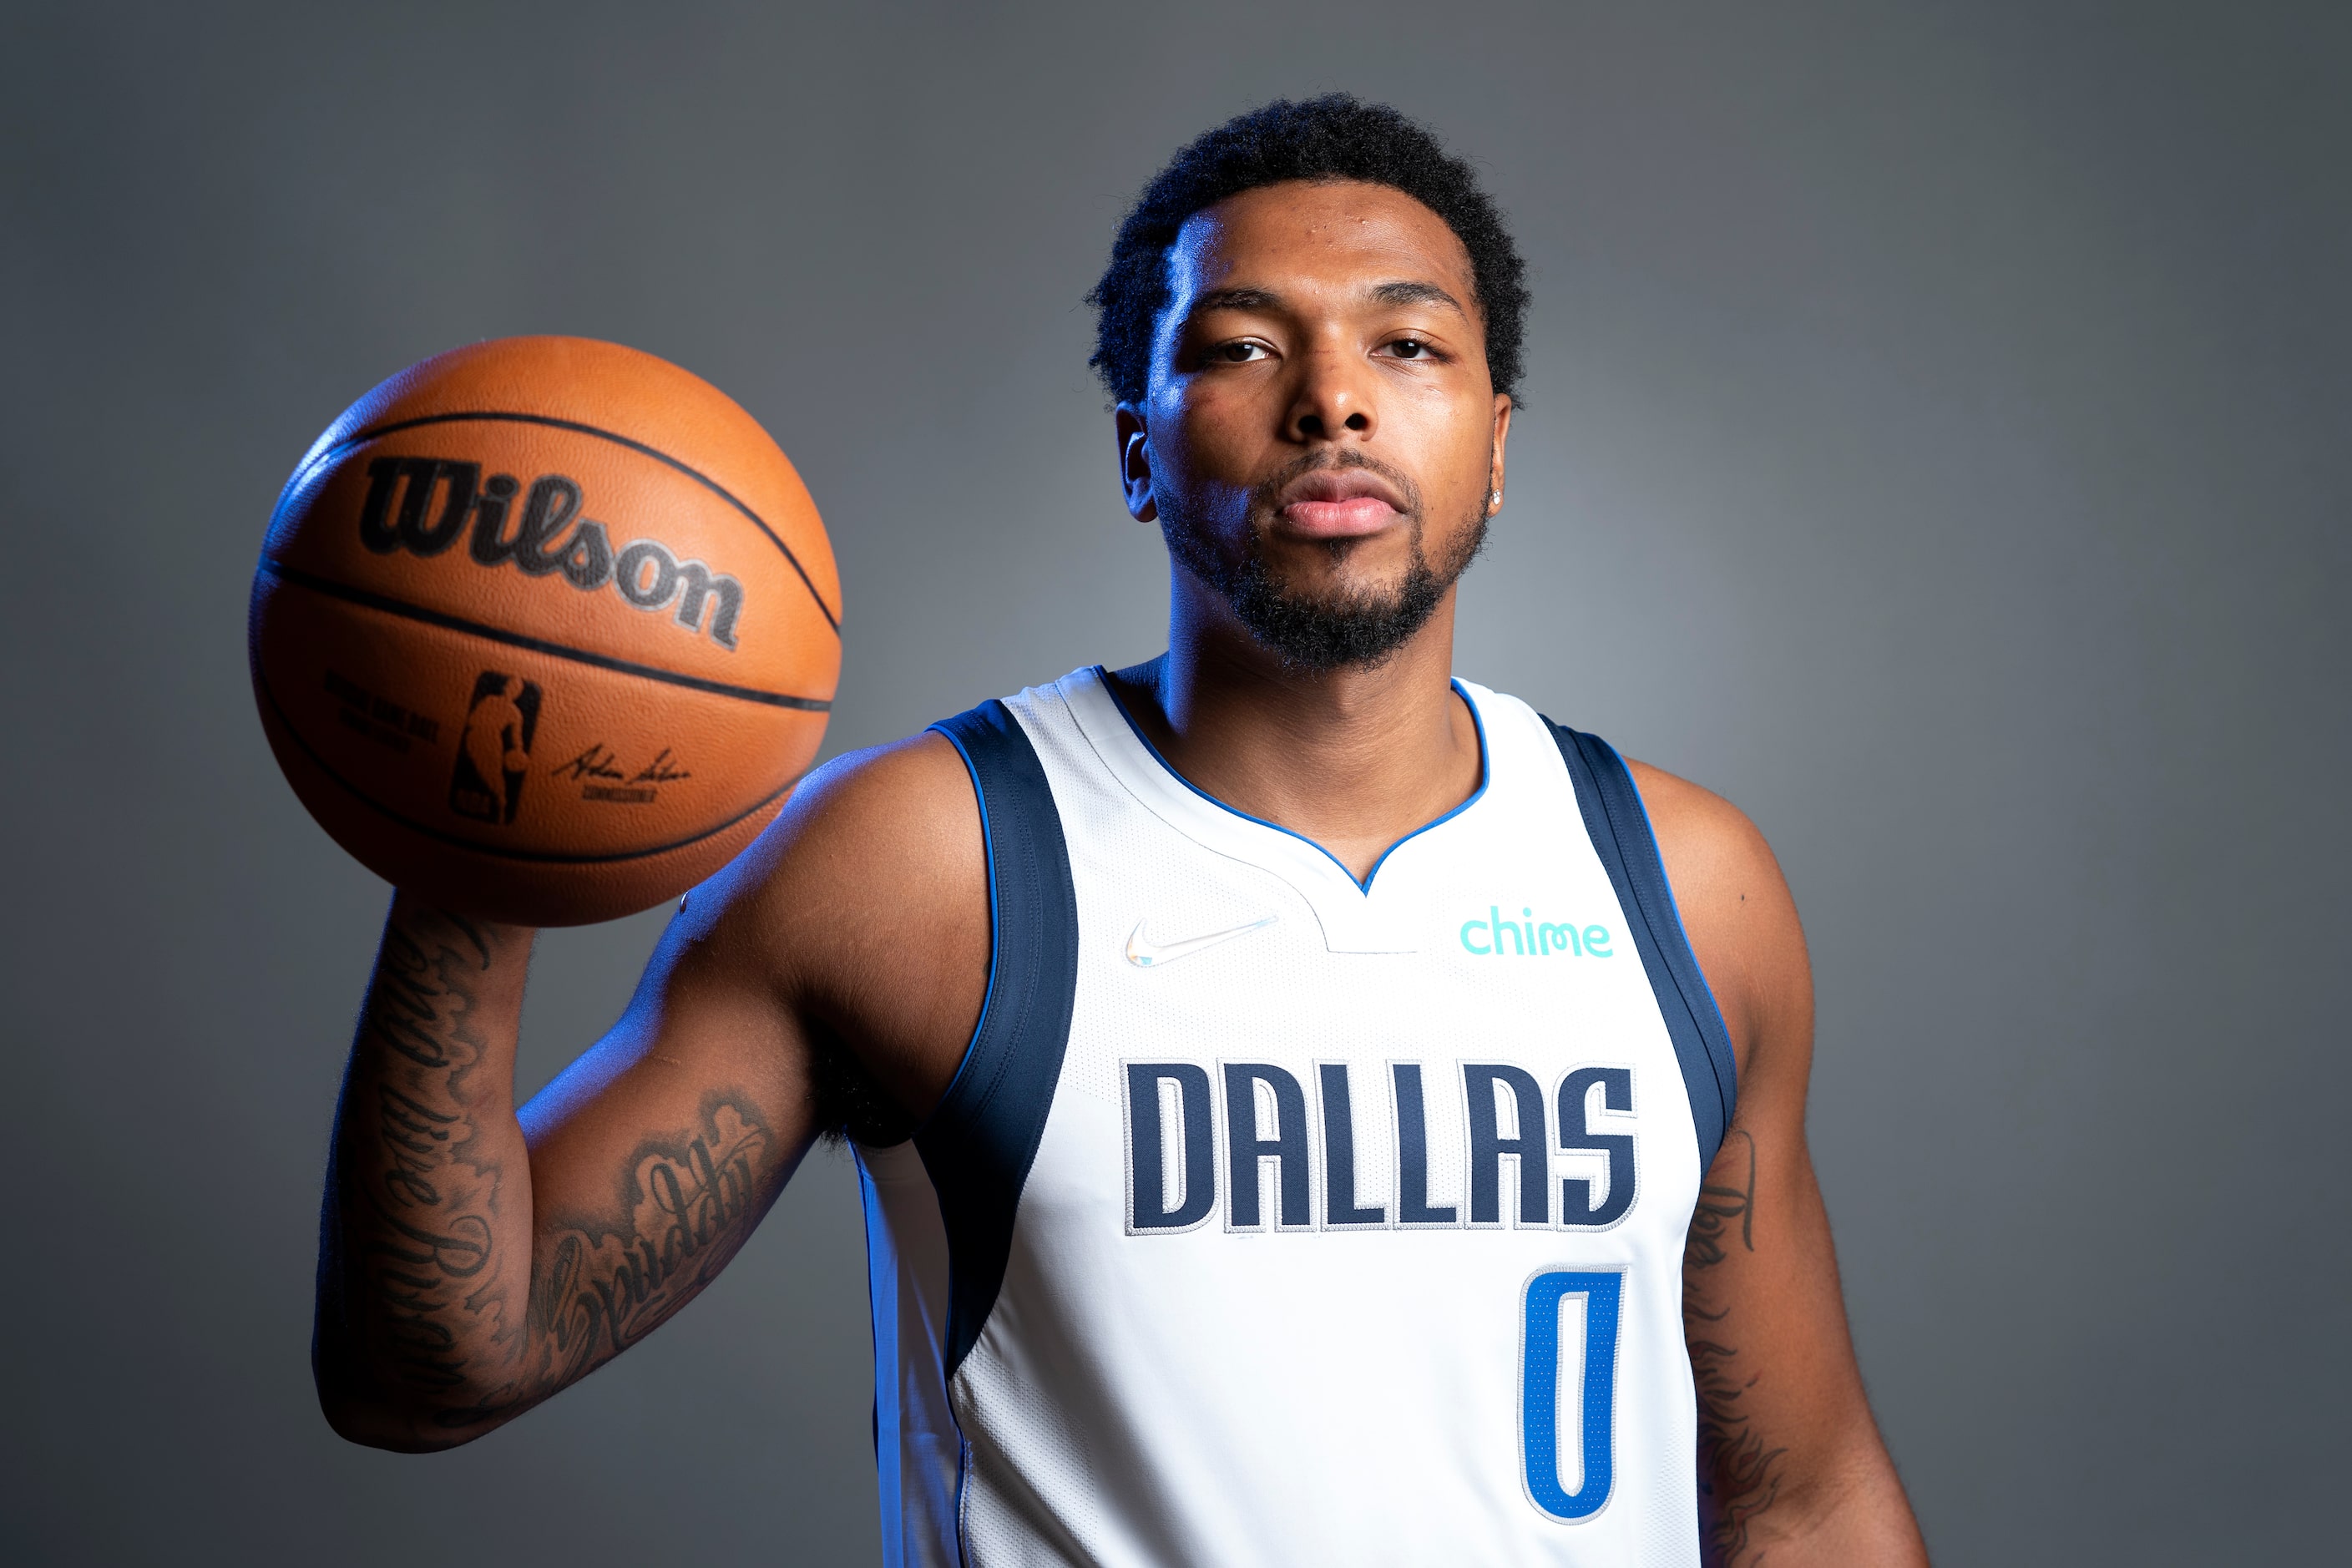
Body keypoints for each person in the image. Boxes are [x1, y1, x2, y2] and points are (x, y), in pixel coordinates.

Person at [314, 96, 1929, 1566]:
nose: (1333, 403)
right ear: (1136, 449)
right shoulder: (926, 864)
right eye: (1240, 346)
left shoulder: (1683, 885)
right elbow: (435, 1366)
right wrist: (476, 855)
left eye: (1410, 347)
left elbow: (1801, 1500)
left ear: (1495, 447)